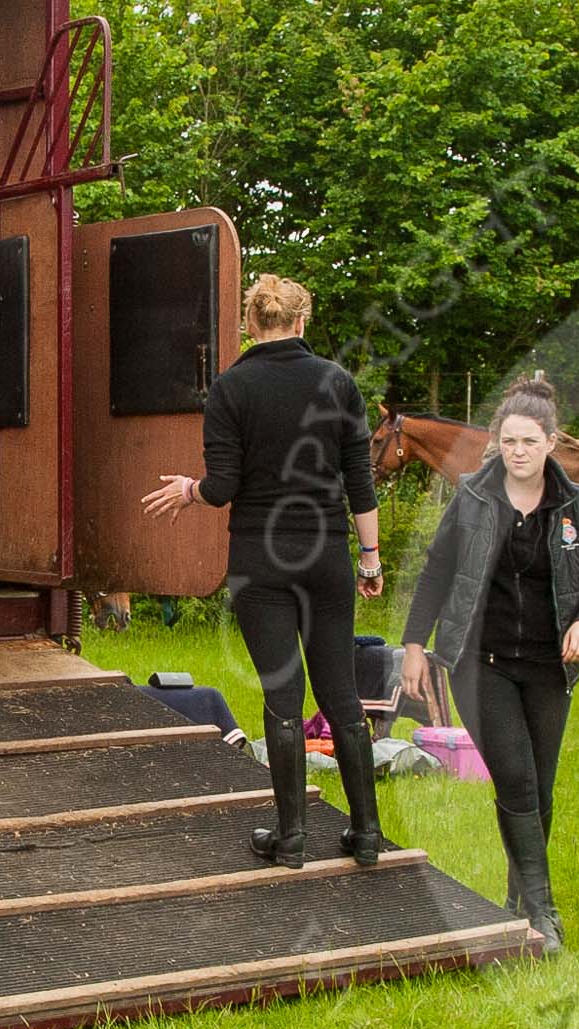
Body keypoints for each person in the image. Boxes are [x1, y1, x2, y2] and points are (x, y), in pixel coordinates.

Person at [142, 274, 384, 870]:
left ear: (252, 324)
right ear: (302, 322)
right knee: (342, 695)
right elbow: (360, 482)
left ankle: (292, 838)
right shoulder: (339, 383)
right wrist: (371, 559)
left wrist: (188, 490)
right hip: (326, 556)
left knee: (283, 696)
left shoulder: (230, 388)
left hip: (260, 563)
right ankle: (367, 836)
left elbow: (223, 488)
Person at [400, 378, 579, 952]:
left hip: (549, 667)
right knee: (515, 778)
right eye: (509, 441)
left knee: (540, 790)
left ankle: (520, 899)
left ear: (550, 443)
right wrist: (415, 644)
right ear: (498, 443)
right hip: (479, 662)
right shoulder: (471, 499)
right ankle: (545, 914)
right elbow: (437, 573)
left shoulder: (576, 506)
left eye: (529, 441)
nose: (518, 452)